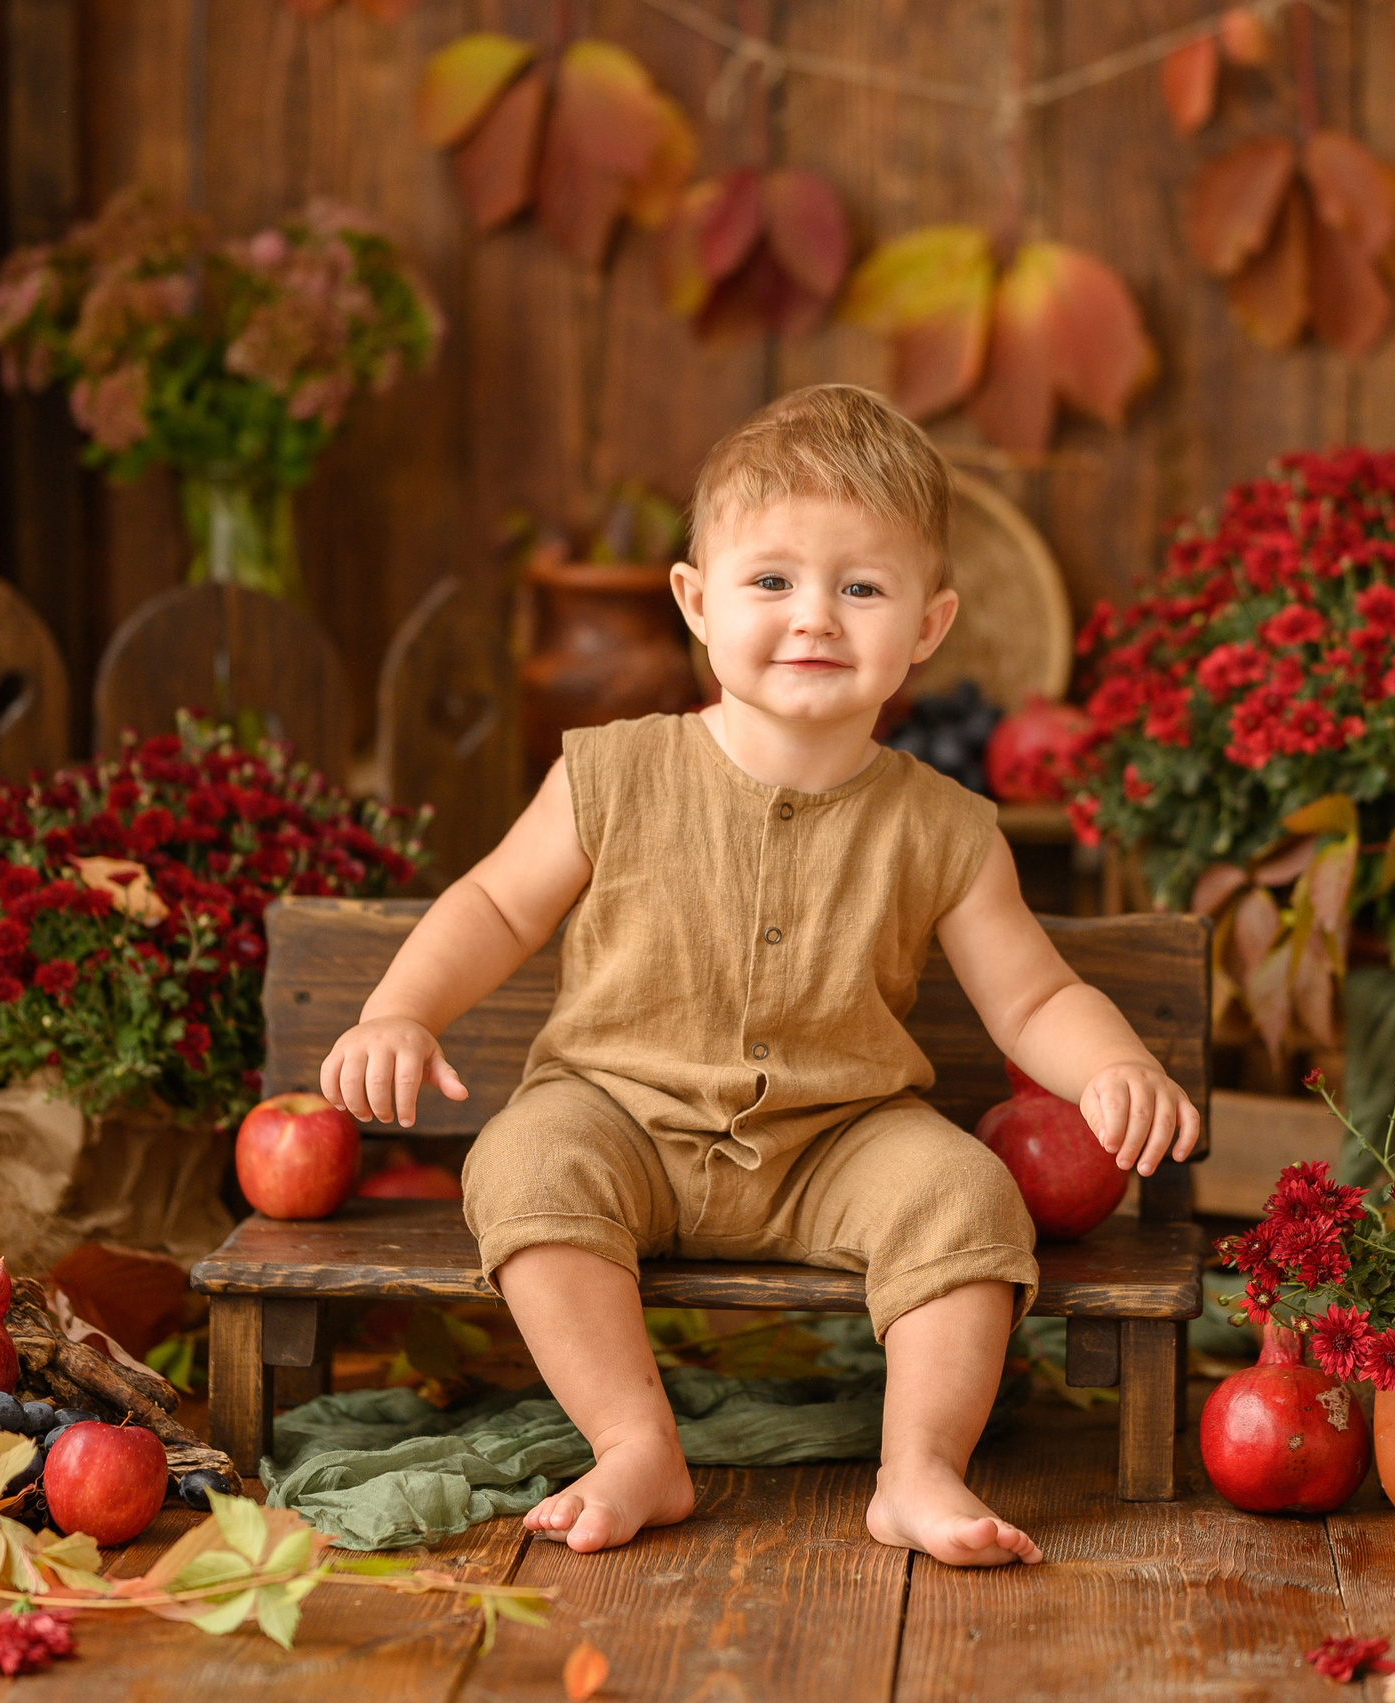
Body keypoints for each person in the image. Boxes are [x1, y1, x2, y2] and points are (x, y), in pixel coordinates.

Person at [318, 384, 1199, 1568]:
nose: (815, 617)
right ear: (695, 599)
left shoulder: (942, 825)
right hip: (618, 1114)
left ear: (928, 624)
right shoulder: (612, 772)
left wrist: (1113, 1064)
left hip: (839, 1139)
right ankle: (636, 1440)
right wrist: (400, 1008)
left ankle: (918, 1465)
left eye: (862, 587)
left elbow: (1031, 996)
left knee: (966, 1196)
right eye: (772, 579)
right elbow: (490, 901)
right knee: (524, 1163)